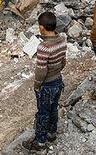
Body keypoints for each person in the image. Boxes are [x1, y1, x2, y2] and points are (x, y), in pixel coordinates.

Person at [22, 11, 67, 152]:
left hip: (47, 85)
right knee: (53, 108)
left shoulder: (43, 47)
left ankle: (40, 143)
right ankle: (51, 133)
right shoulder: (62, 41)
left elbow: (41, 70)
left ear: (41, 27)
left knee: (42, 112)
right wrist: (57, 72)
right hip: (58, 81)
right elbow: (63, 61)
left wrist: (37, 85)